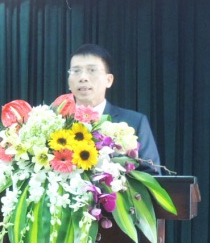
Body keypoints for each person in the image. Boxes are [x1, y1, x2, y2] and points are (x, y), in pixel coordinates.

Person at [67, 43, 161, 173]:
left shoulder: (134, 122)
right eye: (76, 71)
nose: (83, 78)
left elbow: (152, 174)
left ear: (109, 80)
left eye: (92, 70)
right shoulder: (57, 121)